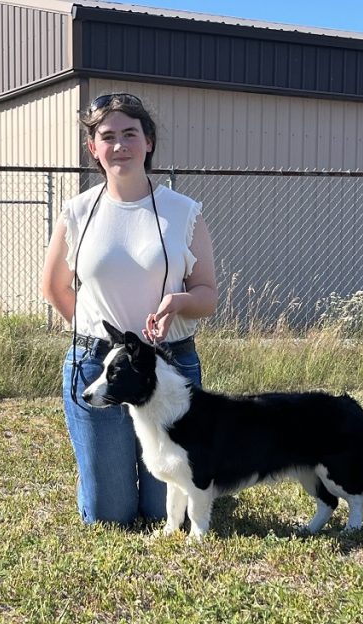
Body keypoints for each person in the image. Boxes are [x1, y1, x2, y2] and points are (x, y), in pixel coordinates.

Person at [41, 92, 218, 527]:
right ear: (93, 148)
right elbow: (54, 287)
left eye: (130, 134)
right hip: (95, 363)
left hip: (169, 366)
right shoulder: (77, 212)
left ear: (149, 141)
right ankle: (103, 476)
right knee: (110, 516)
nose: (120, 145)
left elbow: (208, 295)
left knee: (164, 515)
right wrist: (94, 338)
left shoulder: (183, 213)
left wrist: (179, 302)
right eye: (108, 136)